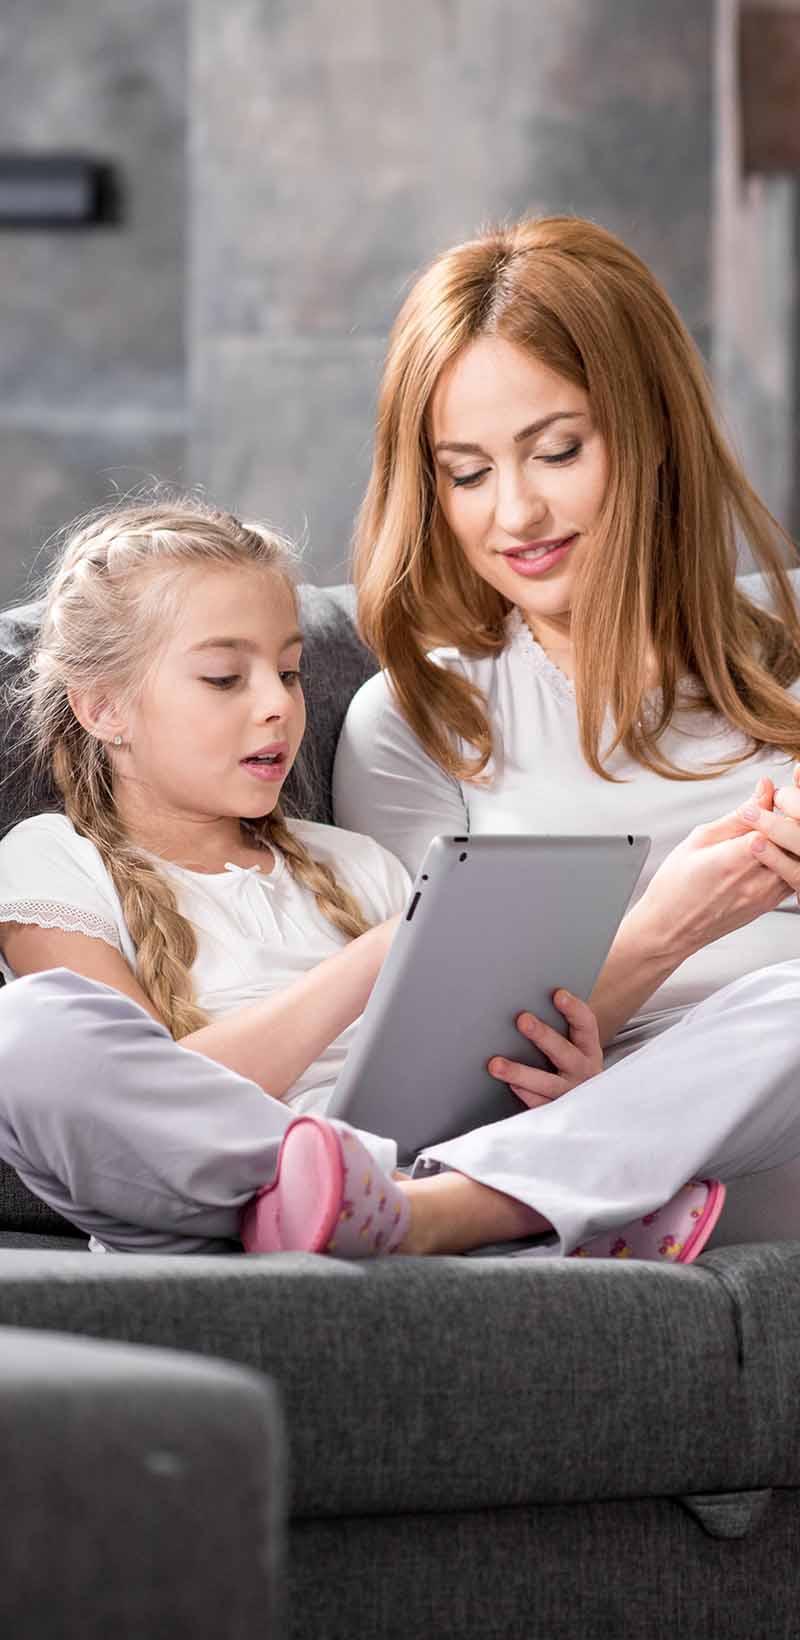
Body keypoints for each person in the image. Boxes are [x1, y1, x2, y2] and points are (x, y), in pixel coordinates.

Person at [0, 494, 704, 1262]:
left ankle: (444, 1201)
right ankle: (491, 1200)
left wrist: (555, 1076)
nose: (277, 705)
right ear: (103, 708)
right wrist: (374, 957)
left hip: (419, 1163)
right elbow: (151, 1098)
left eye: (291, 672)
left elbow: (449, 1075)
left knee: (784, 1002)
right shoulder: (50, 858)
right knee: (30, 1033)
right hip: (195, 1193)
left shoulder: (356, 864)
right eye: (224, 677)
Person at [333, 214, 800, 1247]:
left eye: (555, 450)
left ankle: (464, 1214)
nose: (516, 514)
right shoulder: (418, 724)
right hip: (547, 1137)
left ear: (652, 428)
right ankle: (479, 1206)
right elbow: (412, 1093)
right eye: (466, 472)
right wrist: (663, 930)